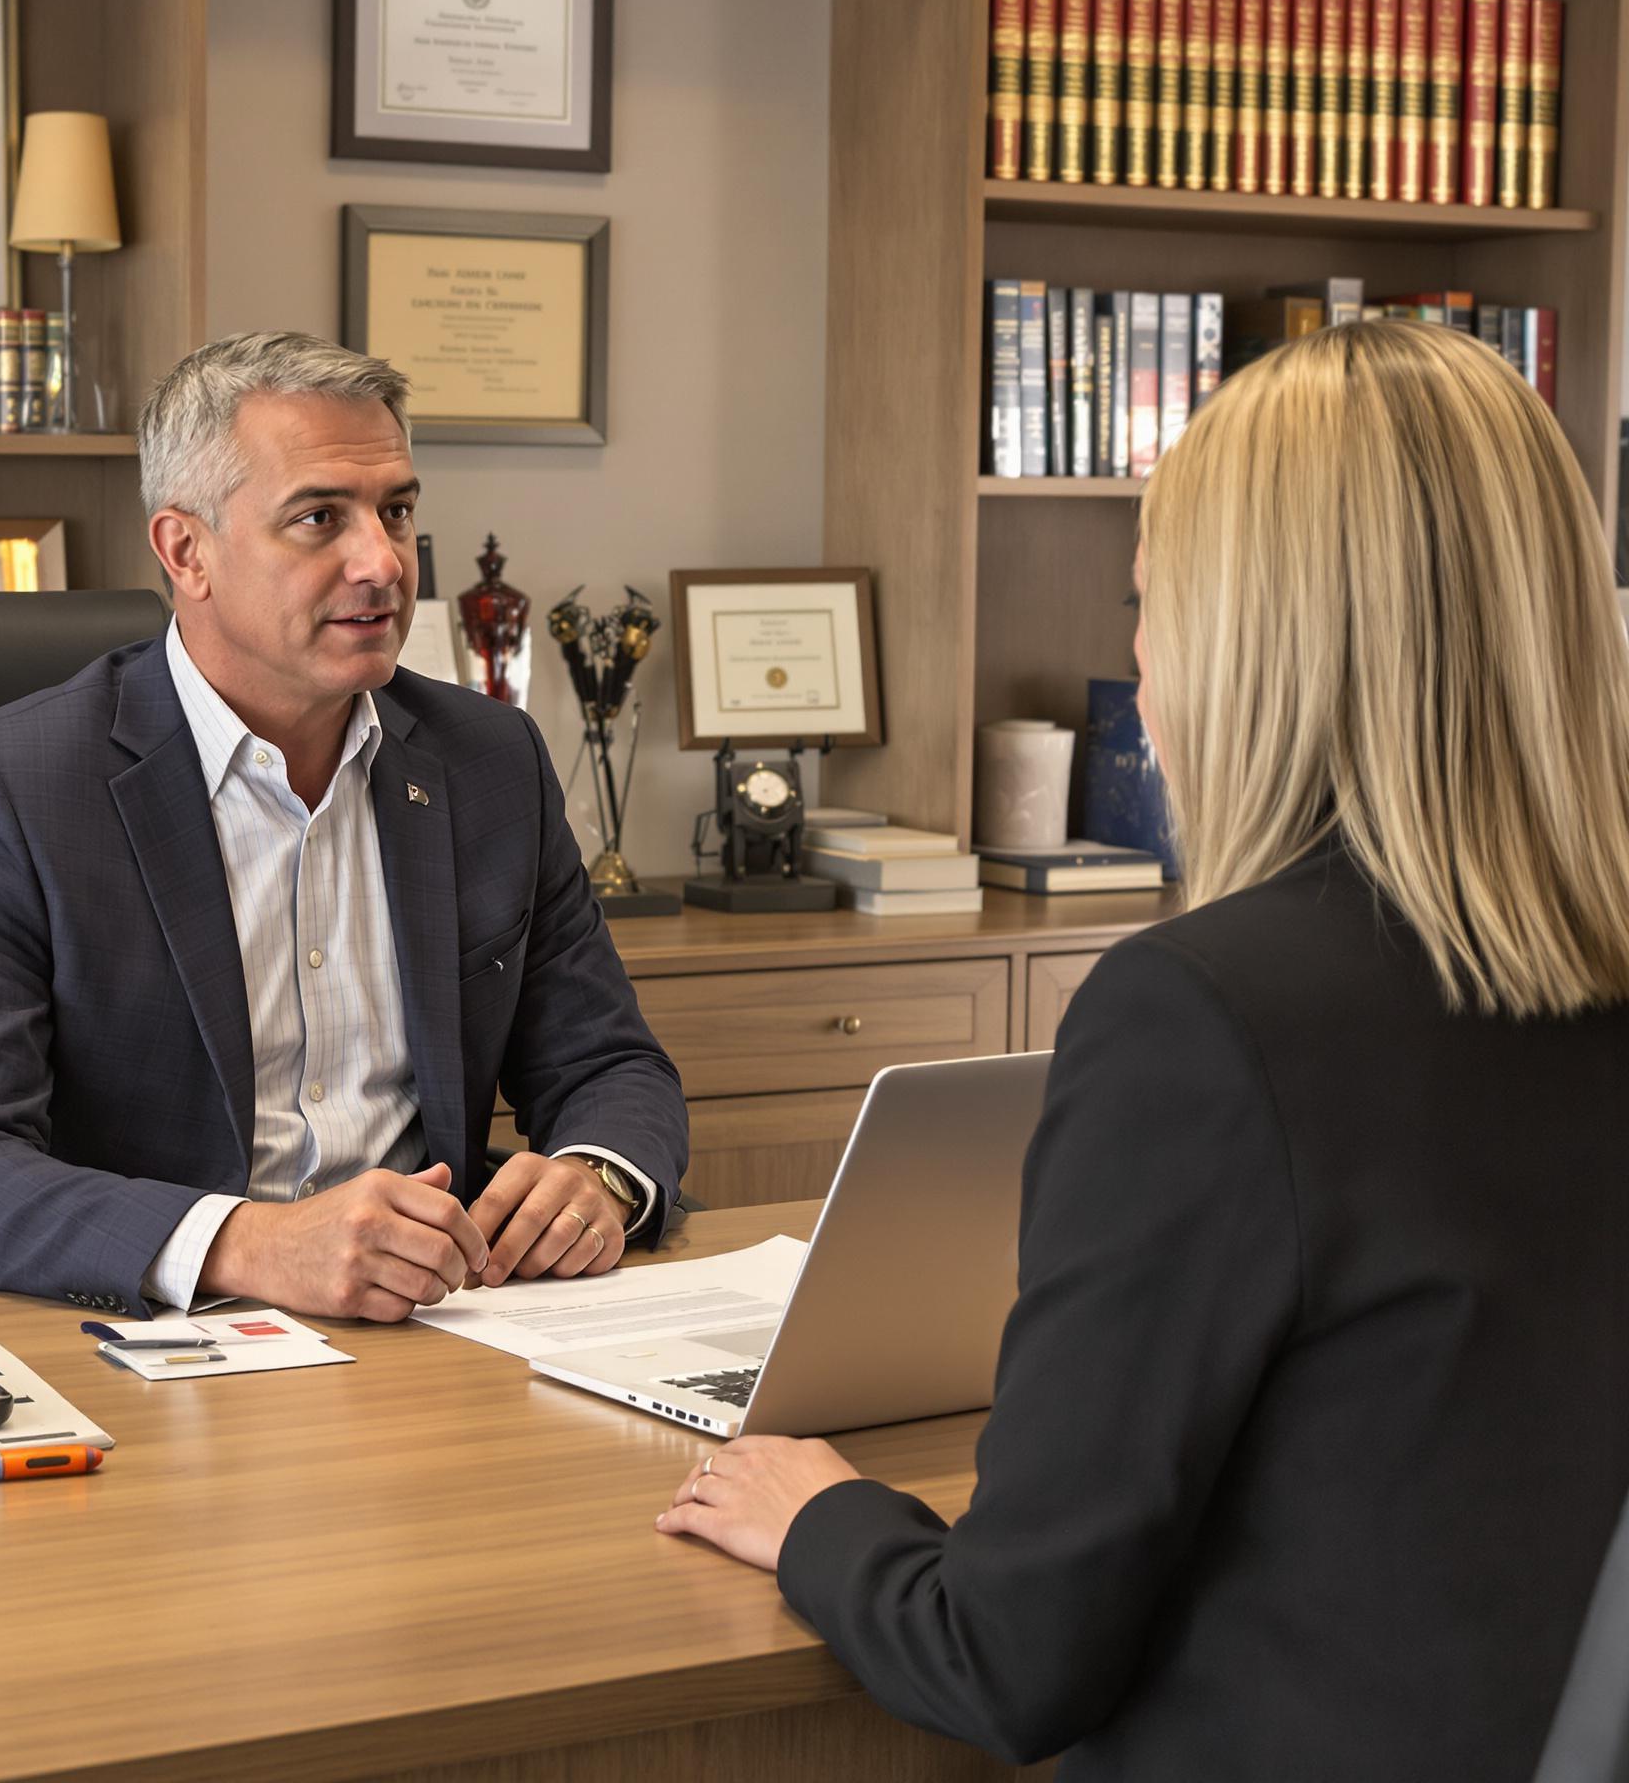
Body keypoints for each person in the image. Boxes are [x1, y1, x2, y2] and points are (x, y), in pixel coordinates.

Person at [656, 320, 1629, 1779]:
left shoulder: (1208, 1016)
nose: (1135, 651)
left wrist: (821, 1519)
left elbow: (1008, 1659)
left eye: (1151, 596)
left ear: (1252, 637)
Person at [0, 331, 688, 1320]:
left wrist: (597, 1177)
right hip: (114, 1332)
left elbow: (606, 1062)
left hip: (422, 1331)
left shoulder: (487, 760)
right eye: (318, 518)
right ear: (186, 550)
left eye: (396, 510)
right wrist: (252, 1242)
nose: (382, 562)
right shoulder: (12, 784)